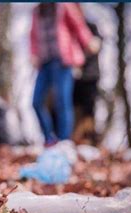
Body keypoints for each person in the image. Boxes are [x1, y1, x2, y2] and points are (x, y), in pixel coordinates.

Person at [30, 3, 101, 147]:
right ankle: (49, 138)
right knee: (36, 101)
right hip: (44, 63)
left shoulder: (64, 6)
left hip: (63, 61)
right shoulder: (36, 12)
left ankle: (64, 141)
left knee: (62, 100)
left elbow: (78, 25)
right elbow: (33, 36)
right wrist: (33, 54)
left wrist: (88, 41)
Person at [72, 21, 102, 144]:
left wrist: (79, 61)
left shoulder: (91, 26)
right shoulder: (70, 28)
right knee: (76, 107)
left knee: (89, 108)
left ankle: (89, 138)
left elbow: (96, 47)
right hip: (75, 78)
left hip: (90, 76)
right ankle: (78, 138)